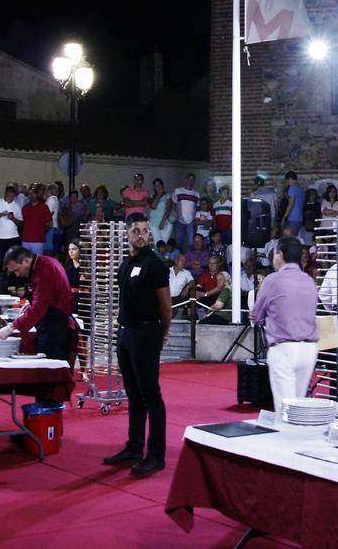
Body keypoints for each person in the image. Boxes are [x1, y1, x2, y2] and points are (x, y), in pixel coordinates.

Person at [101, 213, 171, 477]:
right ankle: (133, 447)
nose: (141, 234)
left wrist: (163, 333)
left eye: (144, 230)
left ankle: (156, 455)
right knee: (133, 394)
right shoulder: (126, 265)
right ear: (127, 234)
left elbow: (166, 306)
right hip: (126, 334)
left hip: (147, 333)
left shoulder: (155, 265)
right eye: (136, 230)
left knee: (151, 394)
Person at [251, 236, 319, 413]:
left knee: (285, 410)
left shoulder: (272, 280)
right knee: (299, 406)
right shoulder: (309, 281)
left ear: (279, 254)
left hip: (284, 348)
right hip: (309, 349)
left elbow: (256, 315)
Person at [0, 185, 23, 274]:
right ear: (5, 194)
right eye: (8, 196)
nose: (9, 198)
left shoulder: (16, 206)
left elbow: (21, 223)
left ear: (14, 196)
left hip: (13, 236)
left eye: (12, 196)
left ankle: (8, 284)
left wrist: (13, 218)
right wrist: (1, 214)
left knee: (11, 261)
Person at [172, 174, 201, 252]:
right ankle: (179, 262)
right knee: (178, 243)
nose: (190, 181)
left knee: (191, 244)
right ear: (185, 180)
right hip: (179, 221)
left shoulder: (196, 194)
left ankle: (190, 261)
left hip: (191, 221)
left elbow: (197, 208)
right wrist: (176, 216)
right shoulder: (177, 191)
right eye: (189, 179)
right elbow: (173, 205)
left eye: (192, 180)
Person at [150, 178, 174, 247]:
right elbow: (153, 206)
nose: (158, 187)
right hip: (154, 223)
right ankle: (157, 258)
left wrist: (162, 222)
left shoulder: (168, 195)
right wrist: (158, 195)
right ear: (154, 187)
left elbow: (168, 209)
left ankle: (164, 258)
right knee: (157, 244)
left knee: (164, 244)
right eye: (156, 185)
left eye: (159, 185)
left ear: (162, 185)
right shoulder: (152, 196)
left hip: (166, 223)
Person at [280, 172, 304, 236]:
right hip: (299, 218)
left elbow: (291, 204)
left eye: (287, 181)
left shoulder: (292, 188)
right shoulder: (300, 189)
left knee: (288, 239)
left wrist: (284, 218)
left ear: (290, 179)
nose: (287, 183)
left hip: (293, 218)